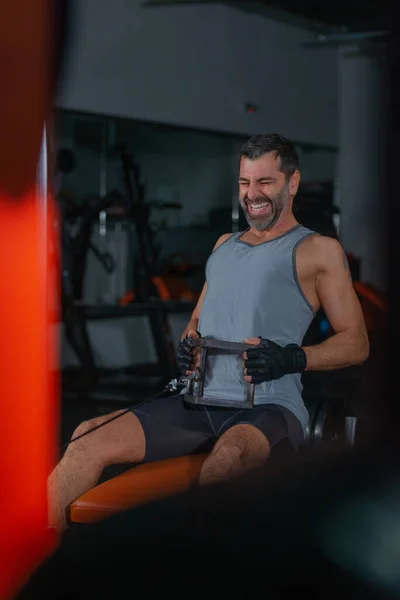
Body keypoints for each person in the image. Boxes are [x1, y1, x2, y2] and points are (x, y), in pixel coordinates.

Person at [48, 133, 369, 532]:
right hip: (198, 402)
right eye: (244, 183)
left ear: (293, 182)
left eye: (265, 182)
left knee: (225, 462)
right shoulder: (223, 246)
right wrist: (189, 347)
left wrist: (292, 357)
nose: (252, 194)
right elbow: (196, 322)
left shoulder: (318, 250)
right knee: (84, 438)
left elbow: (357, 343)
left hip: (268, 408)